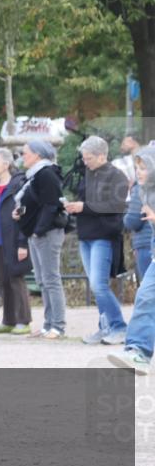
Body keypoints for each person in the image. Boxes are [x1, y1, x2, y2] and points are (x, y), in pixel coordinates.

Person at [65, 136, 129, 345]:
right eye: (84, 158)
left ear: (102, 156)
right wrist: (75, 207)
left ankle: (119, 327)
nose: (85, 162)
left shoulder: (116, 176)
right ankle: (105, 326)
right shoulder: (87, 174)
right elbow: (88, 203)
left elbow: (115, 205)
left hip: (104, 236)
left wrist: (84, 207)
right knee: (97, 286)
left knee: (98, 285)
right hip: (86, 234)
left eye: (89, 158)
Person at [13, 140, 68, 339]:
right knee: (42, 280)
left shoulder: (46, 173)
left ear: (37, 154)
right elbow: (35, 204)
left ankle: (58, 325)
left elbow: (51, 204)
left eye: (25, 152)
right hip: (36, 232)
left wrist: (39, 230)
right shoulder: (35, 175)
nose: (22, 156)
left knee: (51, 279)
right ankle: (48, 324)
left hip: (47, 232)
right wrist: (21, 213)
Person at [108, 146, 155, 375]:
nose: (138, 171)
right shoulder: (144, 191)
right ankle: (138, 351)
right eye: (137, 167)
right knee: (145, 296)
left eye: (143, 167)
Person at [0, 148, 33, 334]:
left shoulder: (18, 184)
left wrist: (23, 243)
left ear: (6, 164)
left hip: (13, 239)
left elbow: (24, 215)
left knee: (16, 279)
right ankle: (9, 319)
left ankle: (24, 320)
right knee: (2, 280)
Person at [124, 173, 153, 282]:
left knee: (148, 291)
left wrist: (125, 215)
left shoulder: (141, 188)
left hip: (146, 244)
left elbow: (133, 221)